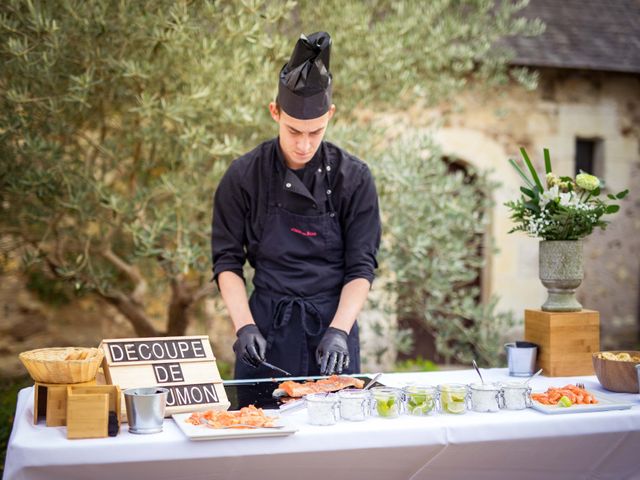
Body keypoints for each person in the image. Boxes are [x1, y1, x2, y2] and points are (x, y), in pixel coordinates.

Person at [211, 31, 381, 379]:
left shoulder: (354, 178)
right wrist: (244, 327)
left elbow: (361, 267)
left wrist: (339, 332)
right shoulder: (244, 175)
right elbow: (227, 261)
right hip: (265, 331)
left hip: (332, 328)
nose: (304, 145)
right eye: (293, 131)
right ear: (275, 112)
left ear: (330, 115)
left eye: (315, 132)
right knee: (256, 427)